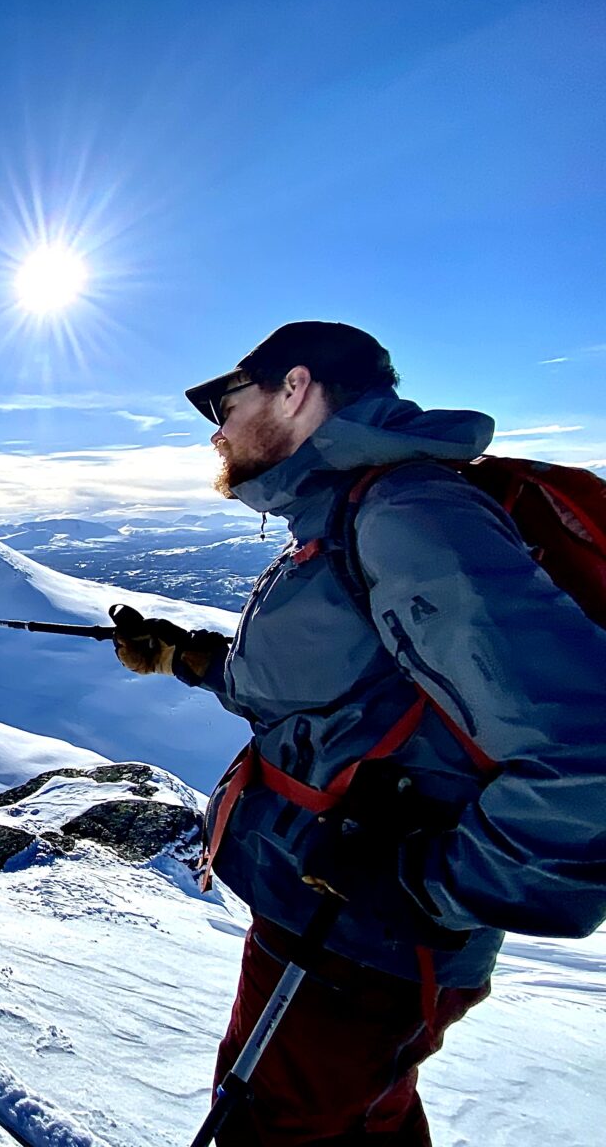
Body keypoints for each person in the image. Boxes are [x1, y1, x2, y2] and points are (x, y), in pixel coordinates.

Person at [108, 321, 606, 1145]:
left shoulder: (408, 513)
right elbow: (333, 695)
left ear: (296, 388)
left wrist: (424, 888)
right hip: (331, 926)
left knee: (278, 1131)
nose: (217, 429)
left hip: (359, 946)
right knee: (353, 1124)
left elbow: (585, 753)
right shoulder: (346, 510)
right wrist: (187, 658)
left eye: (225, 401)